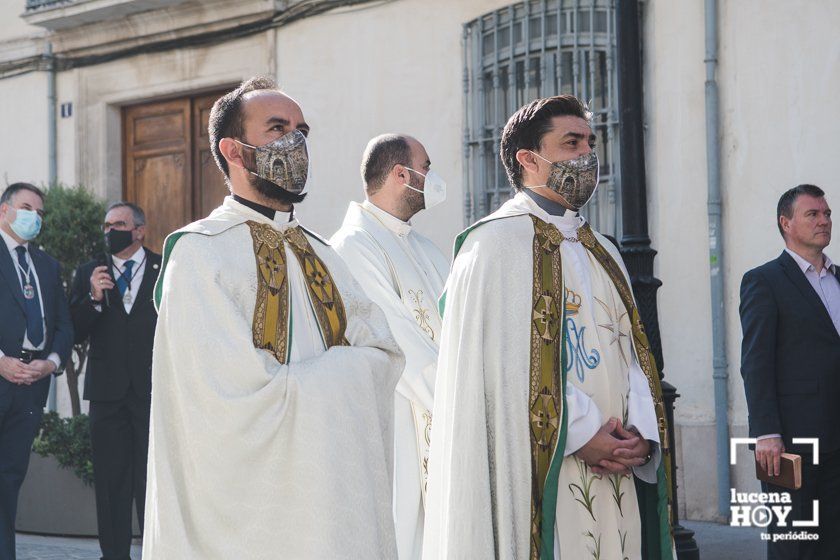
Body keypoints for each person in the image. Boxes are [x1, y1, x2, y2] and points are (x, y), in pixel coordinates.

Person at [142, 77, 404, 559]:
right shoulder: (200, 254)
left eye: (302, 130)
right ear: (234, 151)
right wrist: (344, 371)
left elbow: (384, 354)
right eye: (278, 128)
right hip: (251, 519)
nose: (297, 142)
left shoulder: (326, 256)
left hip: (334, 497)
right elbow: (223, 400)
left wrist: (333, 375)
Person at [422, 96, 675, 560]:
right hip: (545, 469)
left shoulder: (603, 249)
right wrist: (583, 434)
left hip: (618, 464)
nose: (587, 156)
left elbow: (632, 353)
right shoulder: (494, 245)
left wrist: (639, 431)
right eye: (571, 143)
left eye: (590, 143)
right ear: (528, 158)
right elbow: (503, 366)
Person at [331, 134, 449, 560]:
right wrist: (457, 405)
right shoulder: (352, 245)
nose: (432, 178)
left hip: (439, 410)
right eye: (427, 167)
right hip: (399, 419)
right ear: (402, 174)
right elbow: (396, 337)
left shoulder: (425, 248)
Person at [739, 184, 840, 560]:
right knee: (796, 542)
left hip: (838, 437)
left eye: (827, 213)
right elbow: (756, 361)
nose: (824, 221)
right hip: (794, 441)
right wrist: (766, 432)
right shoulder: (764, 280)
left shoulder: (839, 278)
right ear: (786, 223)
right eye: (813, 214)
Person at [69, 202, 160, 560]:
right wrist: (92, 297)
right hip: (106, 395)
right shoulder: (89, 272)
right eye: (107, 225)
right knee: (111, 482)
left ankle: (156, 550)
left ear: (139, 230)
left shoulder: (163, 268)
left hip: (151, 392)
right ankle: (115, 554)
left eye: (119, 224)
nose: (111, 231)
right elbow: (73, 330)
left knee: (150, 481)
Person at [0, 183, 73, 560]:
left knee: (10, 478)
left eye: (40, 212)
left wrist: (50, 363)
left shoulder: (47, 265)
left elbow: (63, 326)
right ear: (4, 211)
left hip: (31, 386)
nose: (34, 217)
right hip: (1, 374)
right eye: (27, 208)